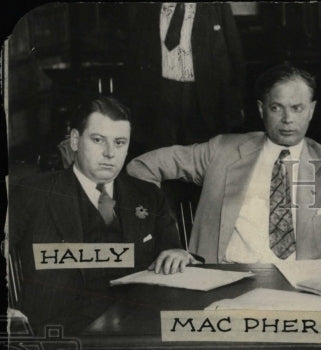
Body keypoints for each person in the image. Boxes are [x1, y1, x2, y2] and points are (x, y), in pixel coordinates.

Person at [127, 64, 321, 264]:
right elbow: (141, 167)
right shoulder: (221, 150)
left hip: (304, 287)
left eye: (297, 108)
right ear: (261, 109)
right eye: (277, 108)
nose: (287, 119)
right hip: (223, 278)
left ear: (312, 110)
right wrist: (166, 241)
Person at [8, 95, 192, 332]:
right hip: (59, 336)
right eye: (98, 140)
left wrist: (179, 253)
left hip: (138, 330)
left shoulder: (148, 195)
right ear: (75, 140)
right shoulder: (33, 193)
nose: (109, 153)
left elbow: (173, 252)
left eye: (119, 143)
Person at [124, 3, 246, 151]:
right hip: (161, 96)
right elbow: (134, 57)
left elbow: (234, 53)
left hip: (201, 98)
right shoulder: (147, 8)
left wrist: (236, 102)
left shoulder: (217, 7)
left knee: (198, 155)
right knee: (162, 155)